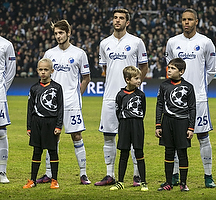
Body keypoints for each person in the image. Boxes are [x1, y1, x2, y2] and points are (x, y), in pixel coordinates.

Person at [95, 8, 148, 186]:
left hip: (131, 98)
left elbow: (143, 66)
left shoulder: (136, 42)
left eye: (121, 18)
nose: (117, 21)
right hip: (110, 96)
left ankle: (136, 175)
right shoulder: (104, 43)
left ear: (128, 22)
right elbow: (104, 70)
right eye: (115, 18)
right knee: (108, 136)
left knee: (133, 138)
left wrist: (135, 86)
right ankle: (110, 174)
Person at [165, 8, 216, 188]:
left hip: (199, 98)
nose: (186, 22)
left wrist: (199, 88)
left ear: (197, 21)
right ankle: (175, 175)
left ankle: (208, 175)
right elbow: (170, 68)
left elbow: (211, 70)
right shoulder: (172, 42)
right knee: (178, 138)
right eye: (184, 20)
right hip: (177, 99)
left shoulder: (206, 42)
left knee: (203, 136)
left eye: (190, 20)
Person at [38, 20, 91, 185]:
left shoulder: (79, 53)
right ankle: (48, 173)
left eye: (61, 33)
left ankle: (83, 174)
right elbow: (45, 77)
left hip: (71, 102)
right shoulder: (49, 53)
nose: (58, 36)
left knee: (76, 135)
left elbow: (86, 77)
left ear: (68, 33)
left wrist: (77, 96)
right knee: (52, 137)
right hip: (53, 103)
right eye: (56, 33)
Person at [155, 58, 195, 192]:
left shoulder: (188, 87)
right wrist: (158, 124)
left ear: (181, 71)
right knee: (168, 152)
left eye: (173, 68)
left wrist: (191, 127)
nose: (169, 70)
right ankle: (168, 182)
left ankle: (183, 183)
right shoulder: (164, 85)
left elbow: (192, 108)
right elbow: (159, 105)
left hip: (182, 122)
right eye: (169, 67)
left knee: (182, 153)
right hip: (167, 122)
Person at [23, 58, 63, 189]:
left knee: (53, 151)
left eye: (46, 70)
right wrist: (29, 127)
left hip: (51, 123)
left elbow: (60, 108)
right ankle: (32, 180)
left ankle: (54, 180)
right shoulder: (34, 88)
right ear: (37, 71)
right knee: (36, 151)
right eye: (41, 70)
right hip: (36, 123)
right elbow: (30, 109)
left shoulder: (57, 87)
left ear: (51, 71)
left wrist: (58, 125)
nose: (43, 72)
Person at [110, 66, 148, 191]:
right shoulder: (120, 95)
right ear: (127, 80)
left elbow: (143, 111)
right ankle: (120, 182)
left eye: (139, 78)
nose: (139, 80)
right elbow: (118, 111)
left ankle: (143, 182)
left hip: (137, 125)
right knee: (124, 153)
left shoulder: (141, 95)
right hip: (124, 126)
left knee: (139, 153)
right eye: (136, 78)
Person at [0, 36, 16, 183]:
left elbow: (11, 71)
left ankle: (2, 171)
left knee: (1, 132)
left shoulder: (6, 44)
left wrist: (3, 90)